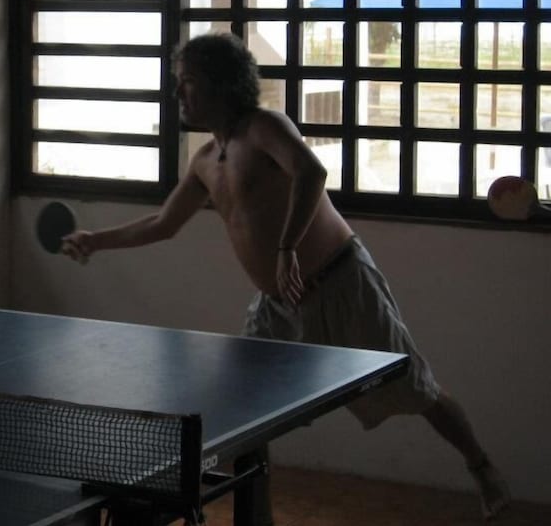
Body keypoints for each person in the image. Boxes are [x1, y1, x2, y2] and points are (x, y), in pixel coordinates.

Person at [61, 33, 510, 522]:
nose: (178, 93)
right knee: (244, 410)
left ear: (220, 83)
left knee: (417, 391)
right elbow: (163, 223)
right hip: (277, 304)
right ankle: (259, 518)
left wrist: (286, 247)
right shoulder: (205, 160)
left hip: (340, 282)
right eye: (177, 82)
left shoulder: (264, 128)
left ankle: (481, 466)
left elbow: (311, 172)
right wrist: (96, 240)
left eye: (187, 82)